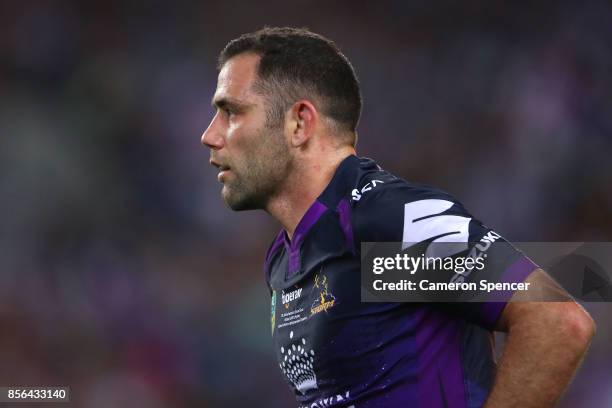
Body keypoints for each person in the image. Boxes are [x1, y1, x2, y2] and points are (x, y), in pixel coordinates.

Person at [201, 27, 595, 408]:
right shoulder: (283, 259)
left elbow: (557, 323)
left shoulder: (385, 221)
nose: (210, 135)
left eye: (231, 112)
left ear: (300, 123)